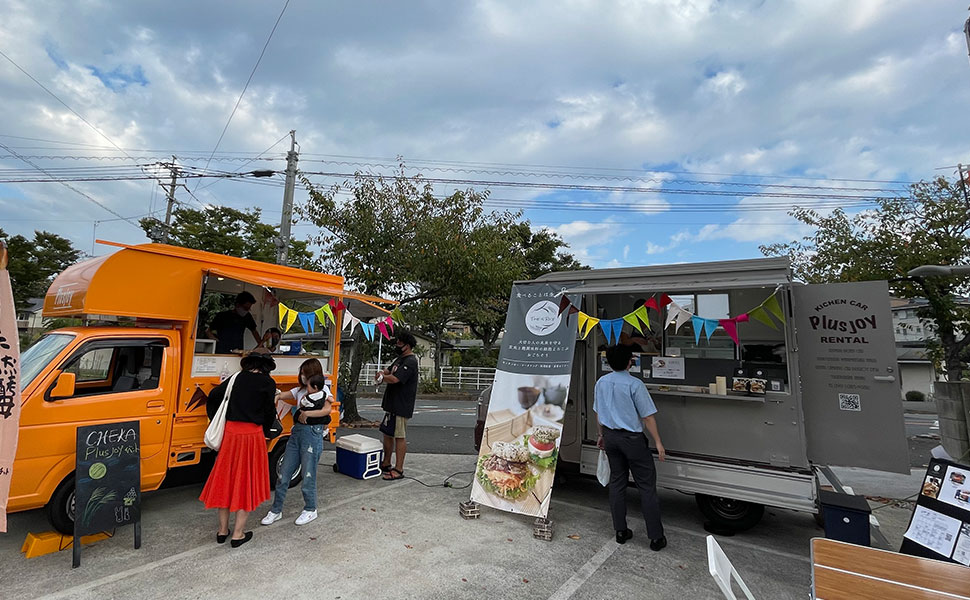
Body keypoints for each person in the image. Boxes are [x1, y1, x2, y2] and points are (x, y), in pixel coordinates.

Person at [199, 348, 277, 548]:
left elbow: (213, 395)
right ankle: (238, 534)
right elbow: (269, 412)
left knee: (226, 481)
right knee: (245, 484)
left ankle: (222, 531)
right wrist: (268, 429)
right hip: (252, 436)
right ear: (266, 366)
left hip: (231, 435)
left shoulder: (236, 378)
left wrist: (220, 417)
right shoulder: (268, 383)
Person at [593, 344, 667, 551]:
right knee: (646, 487)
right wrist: (658, 442)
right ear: (629, 361)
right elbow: (647, 416)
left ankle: (620, 531)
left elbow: (598, 412)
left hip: (610, 437)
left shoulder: (601, 382)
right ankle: (655, 537)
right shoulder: (635, 384)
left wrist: (601, 435)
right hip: (632, 440)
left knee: (617, 483)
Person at [262, 360, 331, 527]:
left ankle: (310, 508)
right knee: (283, 474)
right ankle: (276, 510)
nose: (301, 376)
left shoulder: (322, 389)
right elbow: (284, 395)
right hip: (296, 434)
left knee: (308, 474)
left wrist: (308, 414)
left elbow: (328, 409)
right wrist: (276, 396)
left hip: (312, 434)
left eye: (304, 373)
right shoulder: (300, 390)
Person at [376, 330, 419, 481]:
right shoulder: (400, 359)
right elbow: (388, 371)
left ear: (407, 345)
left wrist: (383, 378)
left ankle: (399, 469)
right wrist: (381, 373)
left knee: (400, 436)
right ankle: (386, 462)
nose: (397, 344)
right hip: (391, 403)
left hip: (401, 404)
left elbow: (395, 379)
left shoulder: (411, 361)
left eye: (399, 342)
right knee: (387, 433)